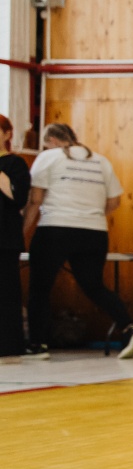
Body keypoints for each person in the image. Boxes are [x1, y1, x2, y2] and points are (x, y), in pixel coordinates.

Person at [23, 124, 133, 360]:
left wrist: (22, 232)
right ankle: (130, 328)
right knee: (94, 286)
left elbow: (35, 200)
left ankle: (38, 345)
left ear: (51, 140)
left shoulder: (47, 157)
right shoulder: (101, 161)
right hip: (94, 232)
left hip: (55, 228)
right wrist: (89, 214)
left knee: (40, 287)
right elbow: (114, 202)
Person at [0, 116, 29, 362]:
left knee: (6, 292)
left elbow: (17, 198)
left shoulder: (15, 164)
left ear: (7, 134)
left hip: (5, 237)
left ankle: (9, 345)